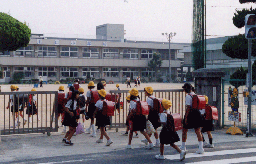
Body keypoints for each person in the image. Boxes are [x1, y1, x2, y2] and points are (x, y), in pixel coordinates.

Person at [180, 83, 204, 154]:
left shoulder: (188, 96)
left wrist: (186, 118)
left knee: (184, 130)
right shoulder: (195, 95)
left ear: (186, 89)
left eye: (184, 89)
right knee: (197, 131)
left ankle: (183, 146)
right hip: (197, 113)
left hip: (191, 114)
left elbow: (188, 108)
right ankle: (201, 148)